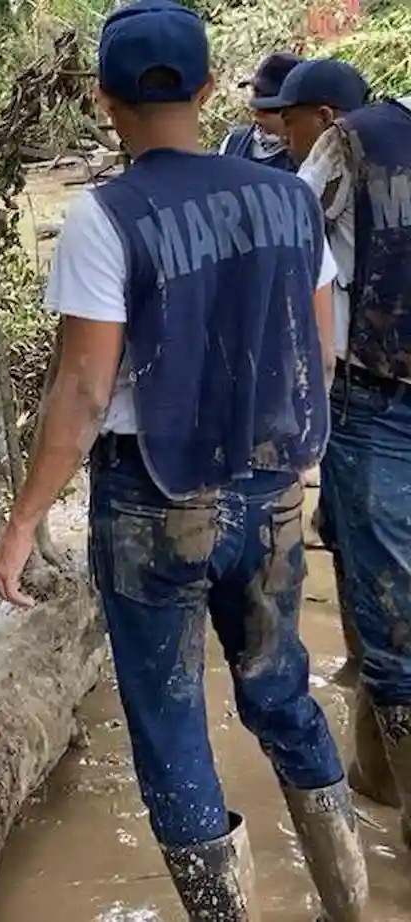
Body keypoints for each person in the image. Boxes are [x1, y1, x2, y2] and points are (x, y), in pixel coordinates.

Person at [0, 3, 368, 919]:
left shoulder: (105, 217)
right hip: (271, 492)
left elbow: (82, 392)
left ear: (101, 98)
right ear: (205, 90)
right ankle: (354, 900)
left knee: (169, 724)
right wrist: (290, 472)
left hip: (153, 503)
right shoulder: (290, 199)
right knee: (281, 698)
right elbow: (316, 353)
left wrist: (22, 523)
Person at [257, 56, 411, 843]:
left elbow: (275, 244)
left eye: (286, 120)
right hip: (371, 402)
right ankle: (382, 788)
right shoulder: (356, 141)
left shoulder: (354, 143)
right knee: (383, 607)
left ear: (314, 115)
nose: (279, 135)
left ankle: (385, 792)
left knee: (387, 606)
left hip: (376, 404)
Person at [219, 51, 302, 171]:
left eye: (269, 106)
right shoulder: (233, 144)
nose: (257, 113)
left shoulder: (311, 159)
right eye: (256, 94)